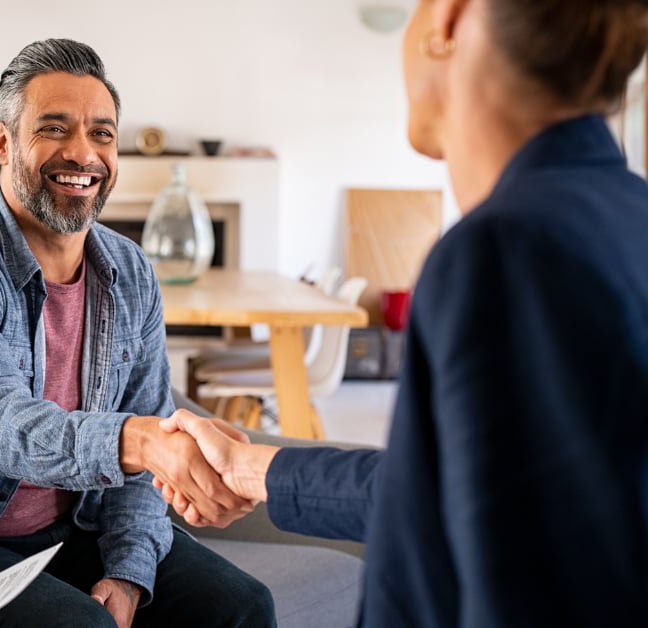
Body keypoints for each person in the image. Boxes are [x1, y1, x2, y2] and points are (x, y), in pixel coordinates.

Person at [156, 0, 648, 625]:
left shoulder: (509, 249)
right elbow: (452, 492)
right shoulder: (628, 217)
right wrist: (250, 467)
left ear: (449, 17)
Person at [0, 39, 273, 628]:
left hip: (75, 525)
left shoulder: (129, 271)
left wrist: (130, 570)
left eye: (102, 134)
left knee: (242, 606)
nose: (82, 154)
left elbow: (148, 421)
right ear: (2, 142)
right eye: (54, 129)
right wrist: (140, 442)